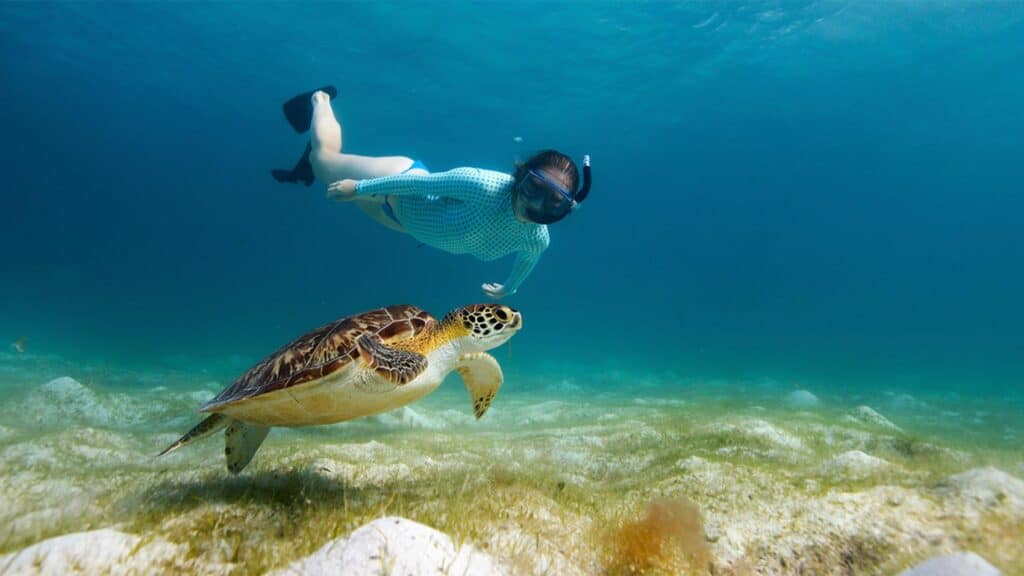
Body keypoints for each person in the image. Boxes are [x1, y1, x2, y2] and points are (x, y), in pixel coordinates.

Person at [272, 86, 592, 299]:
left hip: (404, 224)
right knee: (324, 160)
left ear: (565, 208)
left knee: (332, 182)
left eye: (553, 200)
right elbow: (420, 184)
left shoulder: (537, 238)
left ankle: (307, 168)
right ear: (521, 175)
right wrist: (359, 188)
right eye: (535, 186)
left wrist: (510, 289)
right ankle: (320, 100)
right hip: (398, 181)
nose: (536, 203)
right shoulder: (482, 184)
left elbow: (526, 262)